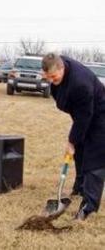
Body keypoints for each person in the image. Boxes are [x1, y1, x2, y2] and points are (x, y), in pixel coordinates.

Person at [42, 53, 105, 220]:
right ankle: (80, 187)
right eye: (47, 77)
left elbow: (85, 115)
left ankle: (88, 208)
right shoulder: (57, 63)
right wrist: (76, 141)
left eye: (54, 77)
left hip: (101, 116)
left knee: (94, 159)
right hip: (84, 113)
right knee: (80, 150)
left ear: (62, 68)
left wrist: (71, 141)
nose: (50, 81)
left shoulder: (80, 83)